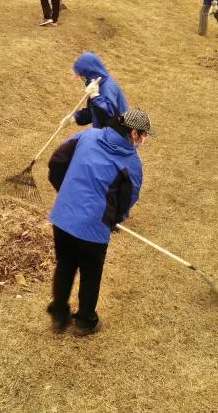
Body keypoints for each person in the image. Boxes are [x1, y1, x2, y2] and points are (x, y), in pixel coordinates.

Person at [46, 108, 152, 336]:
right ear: (133, 132)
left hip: (63, 218)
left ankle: (58, 316)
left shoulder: (88, 135)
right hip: (93, 228)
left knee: (65, 264)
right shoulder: (132, 163)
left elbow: (56, 161)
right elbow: (127, 198)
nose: (144, 139)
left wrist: (65, 194)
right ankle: (85, 321)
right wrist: (114, 220)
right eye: (144, 134)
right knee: (90, 273)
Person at [60, 52, 129, 130]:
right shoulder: (98, 86)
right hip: (107, 134)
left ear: (89, 73)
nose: (82, 79)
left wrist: (95, 96)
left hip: (117, 136)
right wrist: (74, 118)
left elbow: (107, 116)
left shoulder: (107, 88)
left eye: (82, 76)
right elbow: (93, 112)